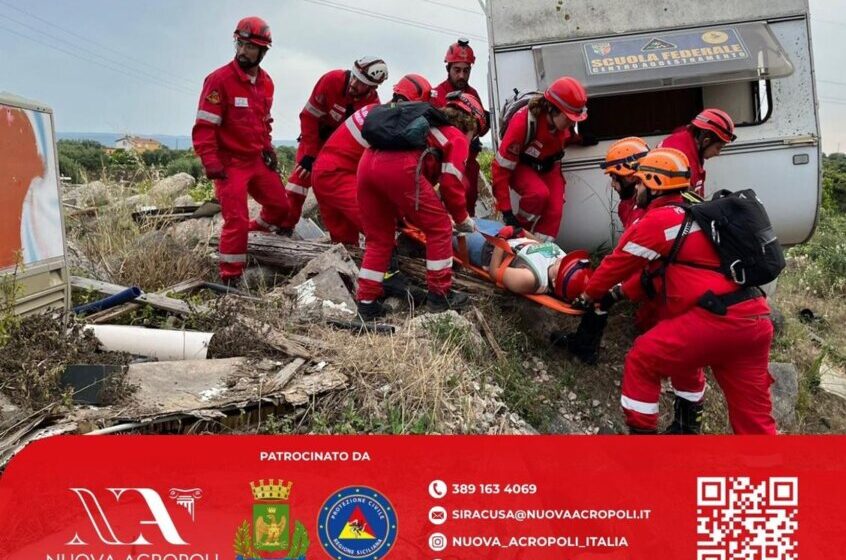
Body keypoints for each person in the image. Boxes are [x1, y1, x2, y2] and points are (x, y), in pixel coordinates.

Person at [577, 147, 776, 435]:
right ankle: (759, 467)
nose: (638, 188)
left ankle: (644, 446)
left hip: (719, 319)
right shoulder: (696, 213)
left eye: (642, 182)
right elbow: (656, 276)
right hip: (754, 319)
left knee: (642, 358)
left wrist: (588, 295)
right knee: (755, 422)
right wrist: (618, 294)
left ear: (655, 184)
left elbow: (614, 266)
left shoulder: (659, 221)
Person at [355, 93, 488, 319]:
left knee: (378, 239)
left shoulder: (425, 125)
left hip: (367, 165)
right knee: (440, 228)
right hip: (399, 170)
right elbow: (450, 183)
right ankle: (440, 294)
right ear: (472, 124)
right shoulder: (454, 137)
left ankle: (366, 305)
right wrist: (462, 218)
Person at [192, 16, 289, 286]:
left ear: (262, 51)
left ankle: (252, 234)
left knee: (281, 207)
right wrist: (210, 161)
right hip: (228, 163)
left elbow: (263, 120)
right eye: (240, 44)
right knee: (235, 218)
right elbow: (204, 126)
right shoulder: (219, 80)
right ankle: (230, 277)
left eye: (250, 47)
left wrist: (268, 147)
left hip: (255, 159)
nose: (244, 51)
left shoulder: (266, 82)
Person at [311, 74, 433, 245]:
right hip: (338, 176)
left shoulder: (375, 113)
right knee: (382, 233)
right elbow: (389, 177)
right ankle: (389, 271)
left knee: (345, 245)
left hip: (326, 173)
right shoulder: (386, 127)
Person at [279, 57, 389, 232]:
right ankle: (284, 225)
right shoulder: (331, 80)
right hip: (315, 139)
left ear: (372, 88)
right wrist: (309, 153)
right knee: (298, 182)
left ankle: (344, 238)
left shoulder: (372, 106)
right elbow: (308, 116)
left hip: (340, 152)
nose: (354, 84)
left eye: (361, 83)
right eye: (354, 77)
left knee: (334, 194)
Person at [491, 76, 589, 242]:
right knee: (538, 194)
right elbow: (500, 169)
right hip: (522, 165)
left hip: (550, 166)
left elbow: (566, 137)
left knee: (555, 211)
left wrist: (581, 140)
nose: (572, 124)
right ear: (552, 108)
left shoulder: (562, 125)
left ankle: (540, 254)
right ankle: (517, 237)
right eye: (569, 119)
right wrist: (506, 212)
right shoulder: (522, 123)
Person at [431, 39, 485, 217]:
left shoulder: (473, 94)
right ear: (448, 69)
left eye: (466, 70)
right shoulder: (436, 95)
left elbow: (481, 125)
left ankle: (466, 238)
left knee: (468, 196)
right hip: (442, 160)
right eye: (457, 70)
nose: (461, 75)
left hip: (468, 159)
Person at [658, 108, 736, 198]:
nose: (718, 153)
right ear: (706, 141)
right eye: (718, 147)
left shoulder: (685, 141)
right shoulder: (683, 162)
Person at [601, 136, 650, 230]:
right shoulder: (626, 206)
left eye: (615, 178)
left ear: (631, 176)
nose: (612, 185)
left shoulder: (650, 211)